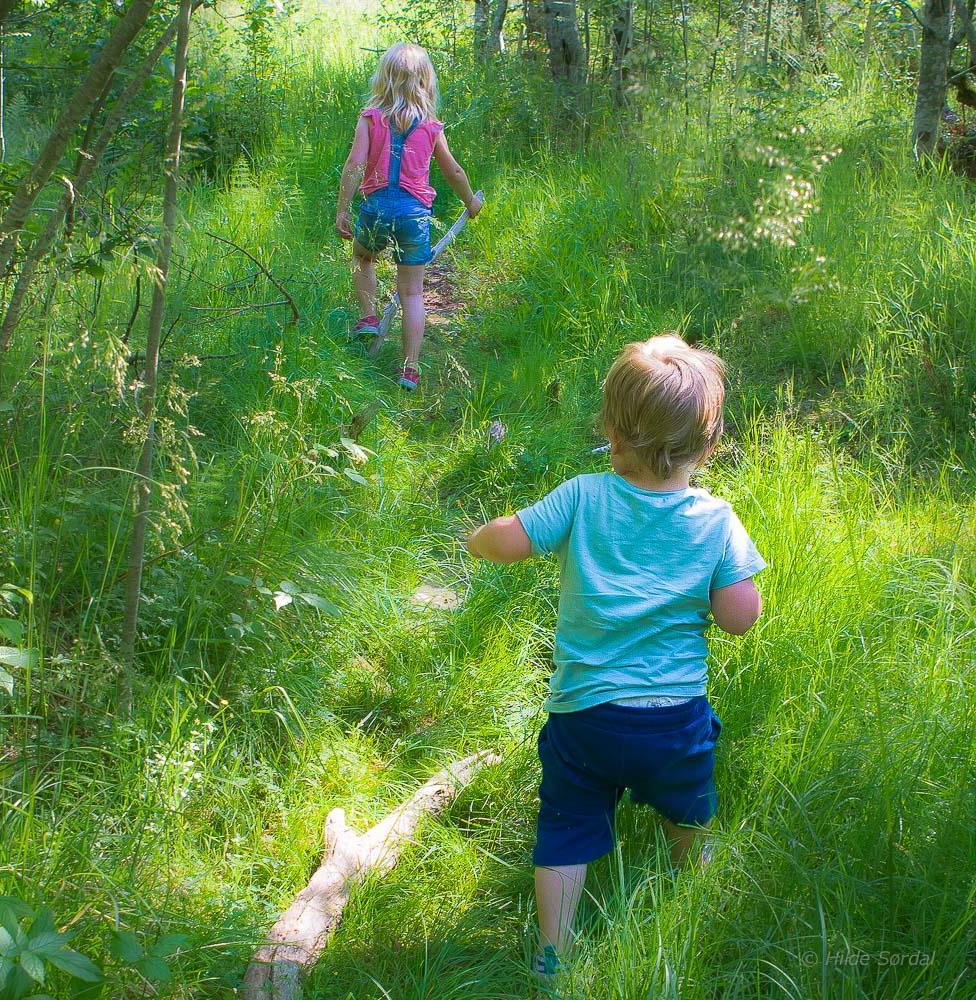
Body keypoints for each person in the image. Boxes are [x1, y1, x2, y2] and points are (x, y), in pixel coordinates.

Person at [466, 335, 767, 988]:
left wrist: (478, 536)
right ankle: (696, 907)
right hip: (673, 724)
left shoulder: (582, 497)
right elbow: (740, 617)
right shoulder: (717, 521)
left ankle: (553, 952)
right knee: (689, 815)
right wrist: (728, 586)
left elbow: (508, 541)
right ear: (709, 447)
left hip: (586, 719)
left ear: (613, 433)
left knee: (567, 826)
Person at [335, 43, 483, 391]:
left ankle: (368, 316)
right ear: (424, 81)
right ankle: (409, 369)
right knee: (413, 293)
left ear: (384, 78)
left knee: (362, 256)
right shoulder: (431, 126)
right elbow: (454, 170)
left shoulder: (371, 118)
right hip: (414, 216)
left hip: (376, 209)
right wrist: (470, 202)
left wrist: (343, 208)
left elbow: (355, 164)